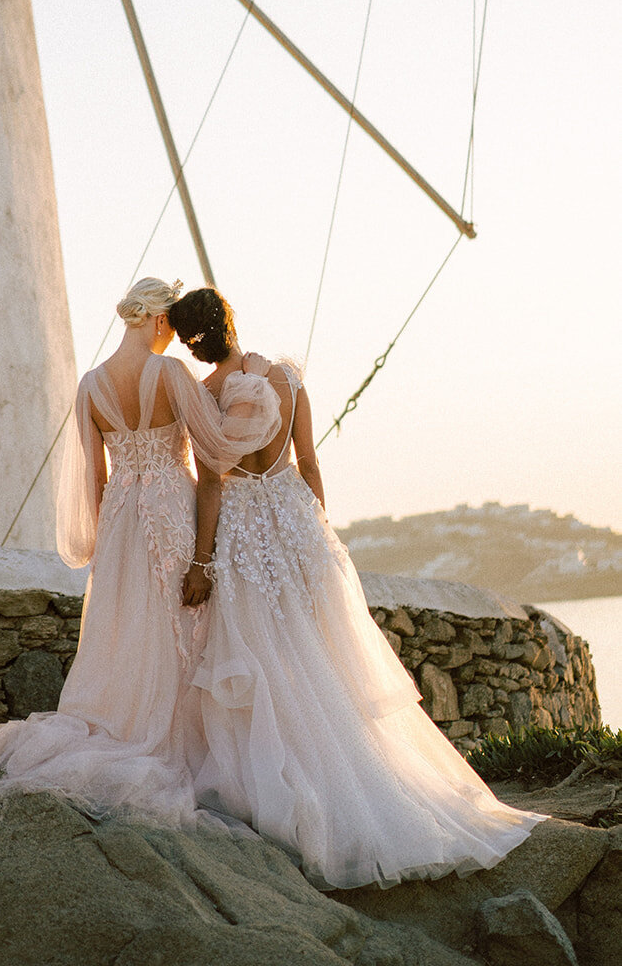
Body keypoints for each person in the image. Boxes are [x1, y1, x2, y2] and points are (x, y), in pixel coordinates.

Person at [167, 286, 544, 888]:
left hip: (242, 533)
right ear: (230, 320)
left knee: (265, 658)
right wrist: (317, 534)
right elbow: (310, 461)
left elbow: (211, 483)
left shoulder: (206, 397)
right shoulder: (288, 378)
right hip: (294, 522)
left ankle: (293, 788)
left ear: (191, 341)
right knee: (322, 658)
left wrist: (202, 561)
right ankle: (359, 779)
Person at [0, 276, 280, 826]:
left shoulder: (90, 385)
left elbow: (95, 476)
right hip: (170, 506)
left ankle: (120, 724)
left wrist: (106, 536)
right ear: (158, 321)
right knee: (184, 625)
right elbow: (218, 446)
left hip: (120, 518)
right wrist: (256, 388)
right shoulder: (170, 373)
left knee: (127, 627)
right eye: (171, 325)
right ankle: (181, 742)